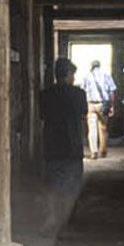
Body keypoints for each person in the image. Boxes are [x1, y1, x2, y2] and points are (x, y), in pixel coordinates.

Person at [38, 58, 88, 236]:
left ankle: (51, 218)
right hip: (72, 147)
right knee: (71, 186)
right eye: (72, 74)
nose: (74, 78)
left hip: (51, 146)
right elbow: (83, 113)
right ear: (68, 74)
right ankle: (65, 224)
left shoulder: (45, 94)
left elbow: (42, 116)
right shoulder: (79, 94)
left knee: (51, 184)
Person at [79, 59, 117, 159]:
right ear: (99, 66)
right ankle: (103, 151)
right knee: (103, 128)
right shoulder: (106, 74)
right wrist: (112, 106)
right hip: (102, 105)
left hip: (90, 104)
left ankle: (94, 152)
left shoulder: (87, 76)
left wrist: (83, 106)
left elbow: (82, 91)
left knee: (92, 129)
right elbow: (112, 92)